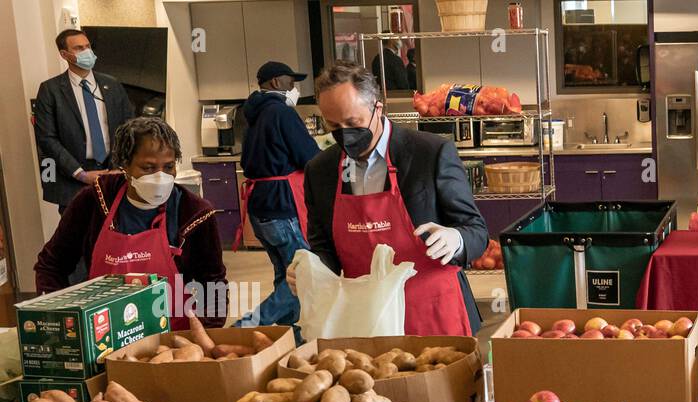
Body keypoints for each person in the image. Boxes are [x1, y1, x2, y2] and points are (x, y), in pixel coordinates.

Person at [295, 63, 488, 334]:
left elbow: (477, 232)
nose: (345, 134)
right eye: (334, 126)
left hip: (433, 312)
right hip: (367, 318)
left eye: (353, 123)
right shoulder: (320, 171)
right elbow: (324, 247)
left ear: (378, 108)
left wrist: (455, 239)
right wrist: (312, 271)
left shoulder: (429, 154)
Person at [34, 117, 228, 324]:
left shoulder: (194, 212)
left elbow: (213, 282)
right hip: (105, 337)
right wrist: (61, 320)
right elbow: (52, 264)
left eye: (169, 166)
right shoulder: (94, 201)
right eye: (148, 168)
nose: (160, 177)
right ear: (124, 166)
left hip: (174, 342)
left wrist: (205, 337)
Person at [236, 61, 319, 329]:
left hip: (261, 207)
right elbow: (309, 156)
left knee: (285, 274)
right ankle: (249, 326)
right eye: (290, 82)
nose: (294, 88)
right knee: (304, 275)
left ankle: (286, 335)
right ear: (275, 83)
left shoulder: (254, 113)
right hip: (282, 204)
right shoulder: (281, 113)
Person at [33, 28, 135, 214]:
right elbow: (47, 138)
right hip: (73, 181)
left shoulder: (112, 84)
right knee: (80, 241)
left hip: (114, 174)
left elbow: (129, 127)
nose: (87, 52)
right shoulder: (51, 90)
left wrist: (120, 167)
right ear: (64, 55)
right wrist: (81, 174)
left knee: (117, 238)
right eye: (79, 48)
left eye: (88, 46)